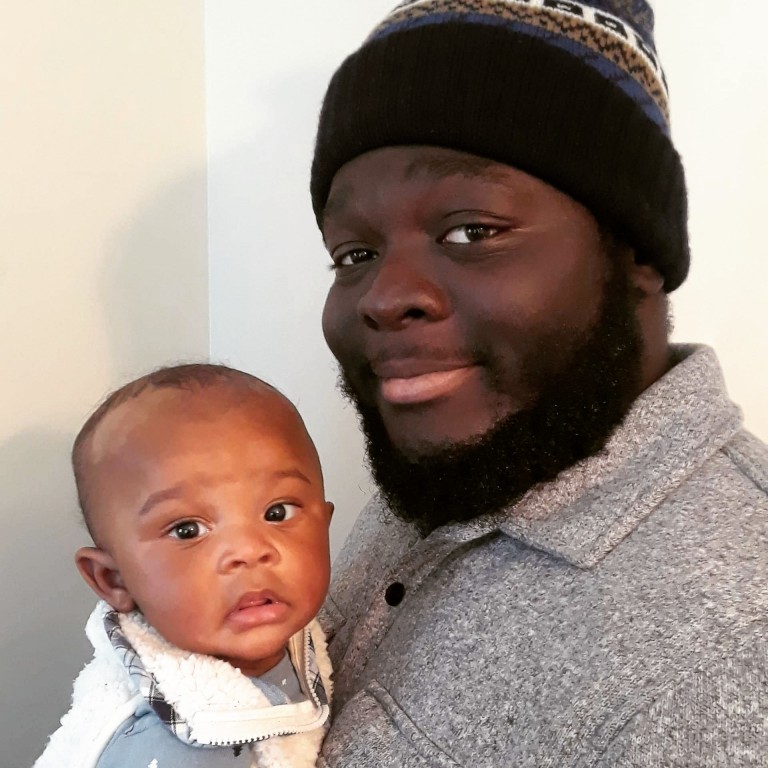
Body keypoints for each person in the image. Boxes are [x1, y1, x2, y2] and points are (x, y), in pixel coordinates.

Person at [310, 1, 768, 765]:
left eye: (471, 232)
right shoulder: (478, 445)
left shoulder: (731, 662)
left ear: (637, 254)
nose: (383, 298)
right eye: (354, 254)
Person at [34, 364, 334, 768]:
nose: (249, 550)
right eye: (187, 530)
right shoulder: (171, 750)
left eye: (277, 512)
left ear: (324, 525)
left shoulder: (301, 639)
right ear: (113, 579)